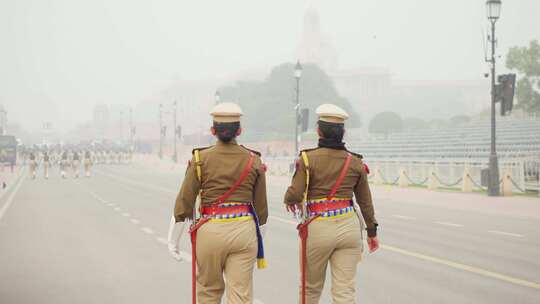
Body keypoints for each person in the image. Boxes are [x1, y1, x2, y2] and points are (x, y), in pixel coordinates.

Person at [168, 102, 268, 304]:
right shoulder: (254, 160)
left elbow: (184, 203)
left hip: (210, 230)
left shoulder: (199, 159)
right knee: (240, 294)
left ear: (213, 131)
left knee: (208, 291)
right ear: (239, 131)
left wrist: (173, 240)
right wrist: (258, 241)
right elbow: (262, 211)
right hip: (244, 230)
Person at [283, 104, 379, 304]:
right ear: (343, 132)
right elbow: (365, 202)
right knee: (344, 293)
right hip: (349, 228)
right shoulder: (356, 162)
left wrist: (289, 198)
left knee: (310, 289)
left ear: (319, 131)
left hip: (318, 228)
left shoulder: (308, 159)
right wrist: (372, 232)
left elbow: (294, 194)